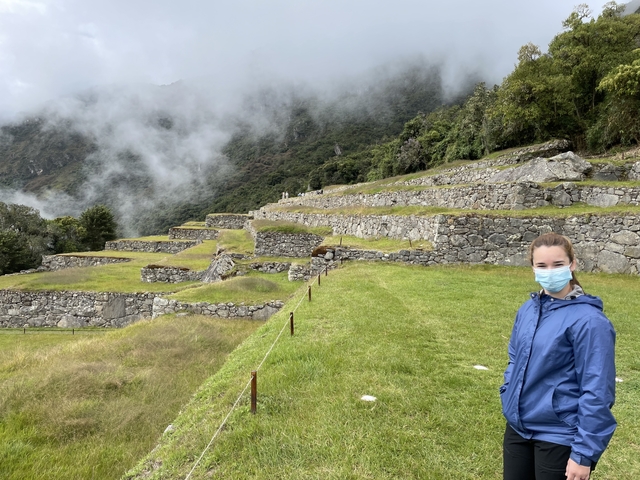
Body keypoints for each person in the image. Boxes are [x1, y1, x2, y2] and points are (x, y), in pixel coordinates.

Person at [501, 233, 616, 480]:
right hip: (518, 428)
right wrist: (507, 390)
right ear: (532, 267)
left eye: (558, 264)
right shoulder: (528, 309)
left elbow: (597, 390)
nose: (549, 271)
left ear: (572, 264)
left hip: (560, 433)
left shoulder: (589, 321)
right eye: (542, 265)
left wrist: (583, 454)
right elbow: (514, 358)